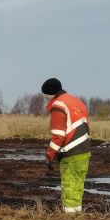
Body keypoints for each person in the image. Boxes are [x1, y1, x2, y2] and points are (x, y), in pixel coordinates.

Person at [42, 78, 91, 213]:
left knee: (69, 186)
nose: (45, 98)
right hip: (85, 151)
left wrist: (50, 155)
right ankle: (77, 216)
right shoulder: (76, 101)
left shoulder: (58, 105)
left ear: (49, 93)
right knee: (77, 186)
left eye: (45, 94)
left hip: (71, 153)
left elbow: (58, 135)